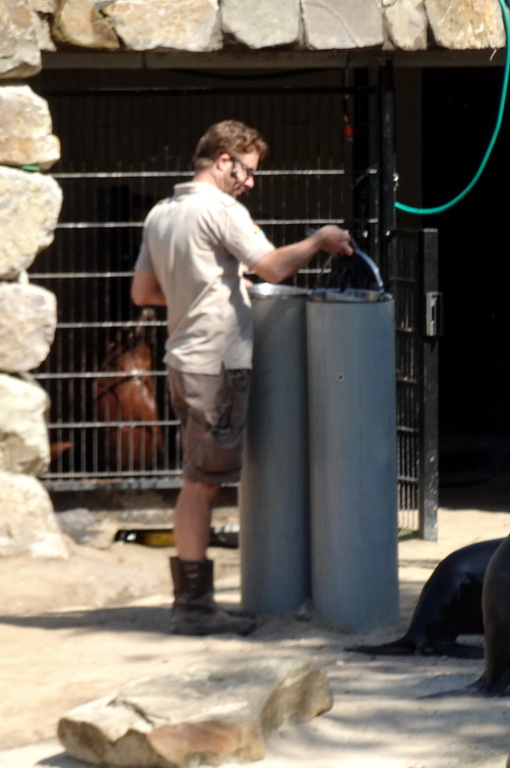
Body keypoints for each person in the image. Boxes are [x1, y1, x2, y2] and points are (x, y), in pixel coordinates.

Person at [130, 120, 354, 636]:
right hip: (217, 363)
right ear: (224, 161)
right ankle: (192, 607)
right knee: (202, 483)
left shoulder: (162, 213)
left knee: (199, 478)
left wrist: (209, 287)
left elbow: (144, 293)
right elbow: (274, 268)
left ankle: (194, 602)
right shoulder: (221, 210)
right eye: (247, 171)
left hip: (183, 358)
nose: (250, 182)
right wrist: (319, 240)